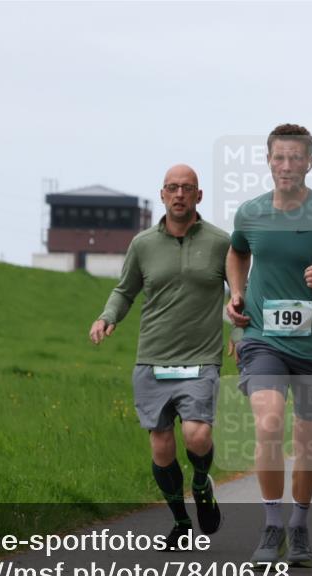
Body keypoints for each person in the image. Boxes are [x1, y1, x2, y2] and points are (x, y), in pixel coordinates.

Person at [226, 123, 312, 567]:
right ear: (268, 161)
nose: (286, 166)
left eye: (295, 158)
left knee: (306, 441)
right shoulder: (249, 212)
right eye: (278, 157)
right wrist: (236, 292)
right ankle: (271, 525)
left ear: (309, 162)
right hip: (263, 338)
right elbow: (237, 252)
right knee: (268, 423)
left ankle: (299, 525)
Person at [91, 165, 230, 550]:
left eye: (187, 188)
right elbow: (124, 291)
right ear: (163, 194)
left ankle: (201, 483)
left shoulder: (221, 243)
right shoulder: (143, 244)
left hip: (201, 357)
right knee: (161, 445)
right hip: (153, 357)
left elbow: (239, 295)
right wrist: (107, 317)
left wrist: (244, 332)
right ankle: (181, 523)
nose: (180, 194)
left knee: (197, 434)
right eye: (173, 188)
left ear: (199, 196)